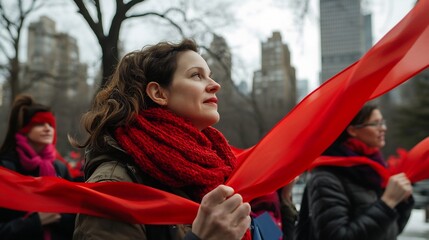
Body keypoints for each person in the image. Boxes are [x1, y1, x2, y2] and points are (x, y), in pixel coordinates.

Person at [72, 39, 252, 240]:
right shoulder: (114, 186)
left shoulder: (216, 168)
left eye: (210, 76)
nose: (215, 85)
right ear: (158, 93)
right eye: (196, 75)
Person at [296, 104, 414, 240]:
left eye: (382, 122)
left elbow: (388, 232)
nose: (383, 128)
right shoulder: (326, 177)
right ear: (352, 130)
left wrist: (402, 203)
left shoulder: (374, 170)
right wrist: (387, 203)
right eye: (375, 124)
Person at [0, 94, 75, 240]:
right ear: (24, 128)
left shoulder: (59, 168)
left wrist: (58, 216)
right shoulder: (5, 167)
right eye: (40, 123)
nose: (48, 128)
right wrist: (36, 222)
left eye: (51, 124)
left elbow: (74, 216)